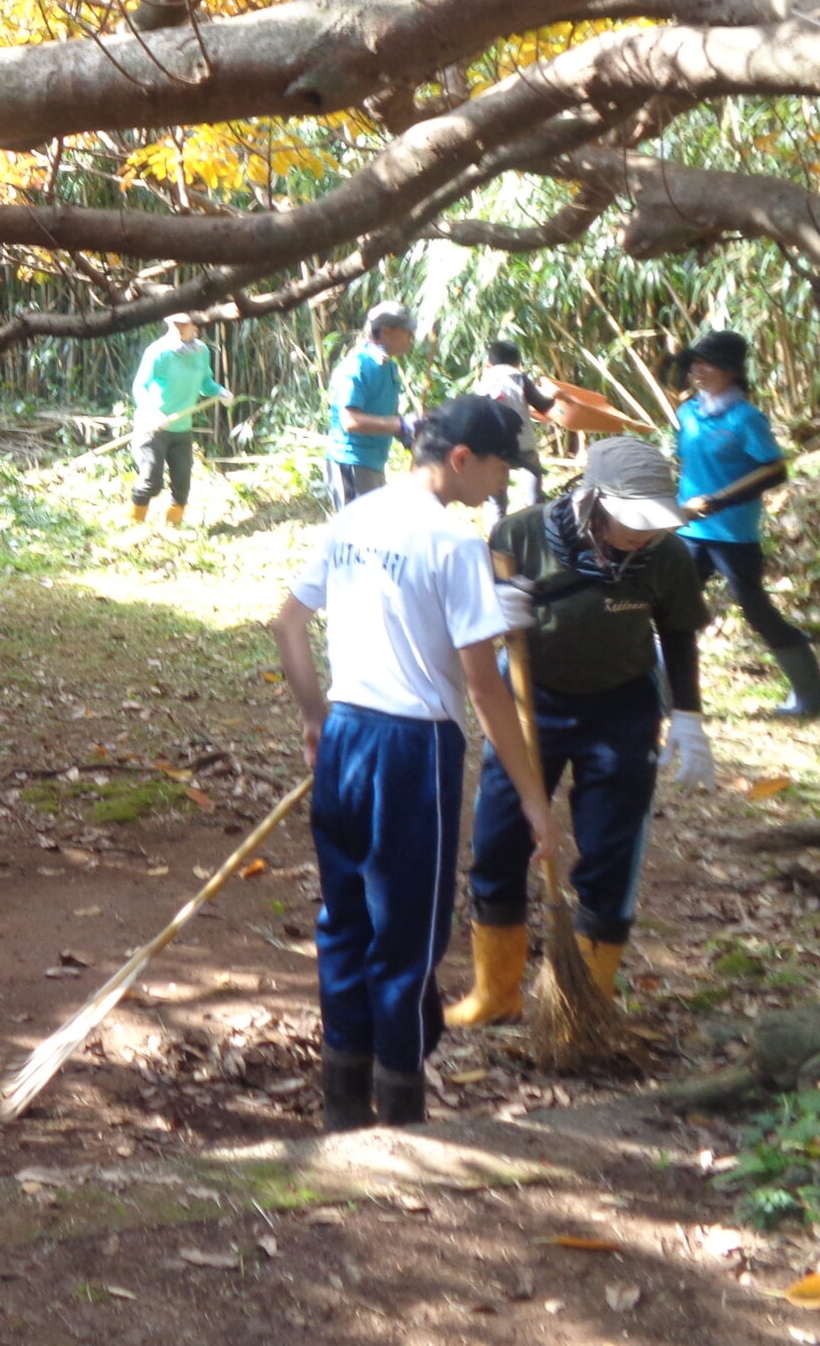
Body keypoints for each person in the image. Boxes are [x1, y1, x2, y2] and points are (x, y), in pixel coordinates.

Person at [269, 397, 558, 1130]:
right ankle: (399, 1112)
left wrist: (314, 715)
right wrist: (532, 796)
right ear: (462, 459)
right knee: (407, 935)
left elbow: (288, 622)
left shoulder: (356, 516)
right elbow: (486, 688)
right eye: (498, 469)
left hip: (348, 737)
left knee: (344, 922)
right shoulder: (453, 544)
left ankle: (343, 1103)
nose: (500, 485)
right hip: (415, 752)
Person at [450, 437, 712, 1028]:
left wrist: (689, 716)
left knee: (611, 849)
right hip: (530, 703)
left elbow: (678, 633)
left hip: (621, 706)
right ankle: (497, 991)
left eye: (652, 522)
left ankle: (584, 1001)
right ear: (592, 499)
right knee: (498, 840)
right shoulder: (518, 536)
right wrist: (497, 614)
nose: (641, 535)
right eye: (631, 521)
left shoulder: (666, 556)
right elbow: (469, 625)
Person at [673, 329, 820, 716]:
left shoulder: (746, 418)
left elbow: (774, 471)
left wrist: (717, 501)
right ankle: (673, 697)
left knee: (756, 610)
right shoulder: (687, 412)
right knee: (672, 609)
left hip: (733, 534)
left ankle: (813, 693)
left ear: (730, 371)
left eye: (707, 363)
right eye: (695, 363)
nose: (698, 370)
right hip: (689, 532)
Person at [128, 311, 226, 525]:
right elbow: (139, 386)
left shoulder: (201, 352)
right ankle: (134, 524)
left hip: (182, 429)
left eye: (184, 324)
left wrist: (219, 391)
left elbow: (205, 384)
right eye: (174, 324)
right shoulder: (158, 351)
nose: (178, 328)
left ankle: (172, 528)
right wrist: (153, 413)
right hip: (154, 428)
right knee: (151, 482)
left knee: (182, 485)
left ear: (196, 328)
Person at [323, 300, 416, 511]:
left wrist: (409, 437)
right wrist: (400, 424)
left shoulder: (389, 367)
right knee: (356, 533)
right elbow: (350, 420)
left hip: (373, 463)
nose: (411, 337)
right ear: (386, 331)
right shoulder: (357, 365)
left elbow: (388, 411)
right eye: (407, 331)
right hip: (350, 461)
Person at [473, 338, 562, 510]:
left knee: (496, 501)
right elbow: (542, 405)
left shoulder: (483, 382)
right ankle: (534, 511)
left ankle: (496, 533)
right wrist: (555, 395)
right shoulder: (519, 378)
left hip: (494, 448)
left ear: (489, 362)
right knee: (533, 480)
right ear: (517, 362)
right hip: (522, 444)